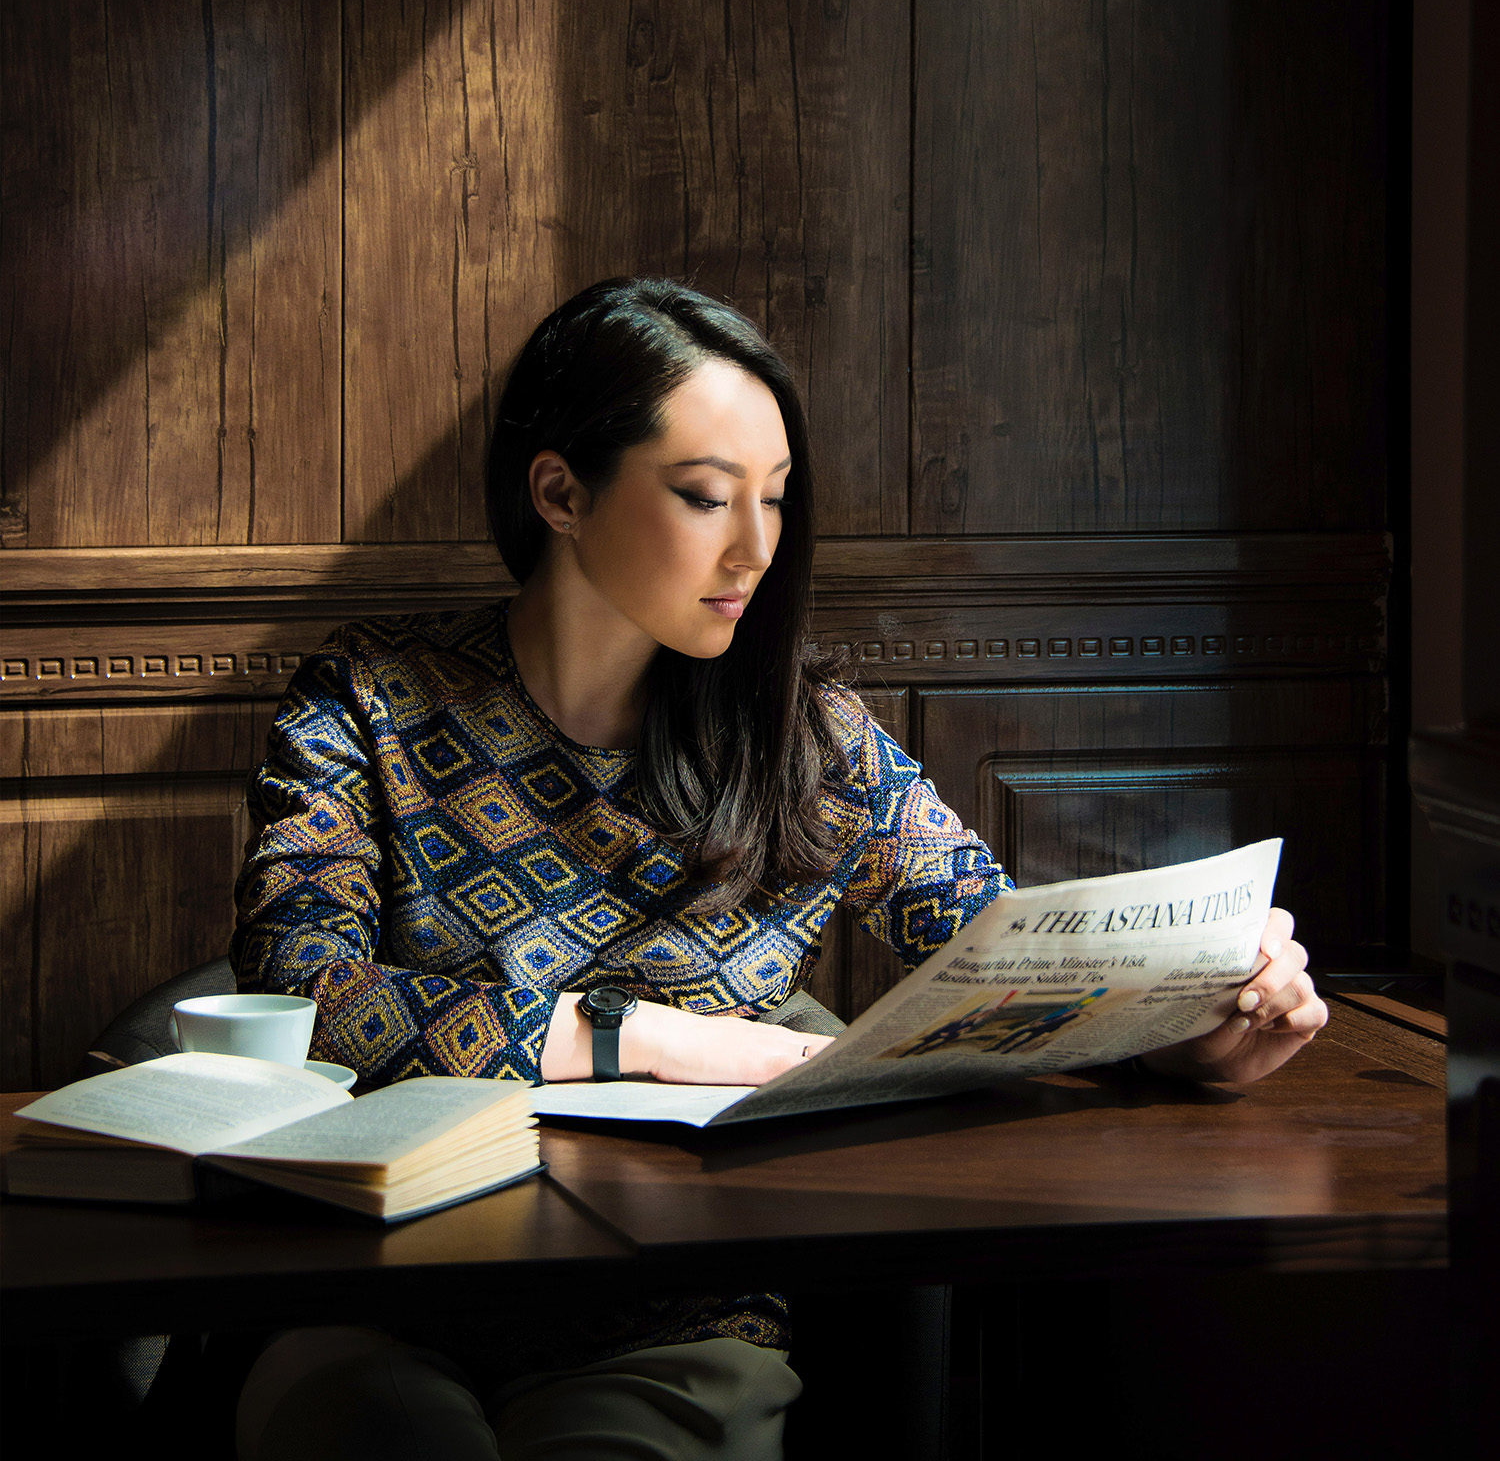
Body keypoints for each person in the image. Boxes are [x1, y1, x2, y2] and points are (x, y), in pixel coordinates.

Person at [230, 278, 1326, 1461]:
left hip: (677, 1315)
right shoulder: (367, 703)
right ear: (559, 491)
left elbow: (1013, 961)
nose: (756, 548)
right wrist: (646, 1038)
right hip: (378, 1286)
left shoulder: (807, 742)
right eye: (705, 498)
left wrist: (1198, 1024)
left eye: (777, 500)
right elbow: (302, 998)